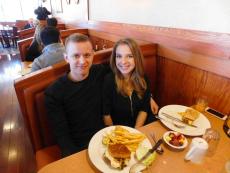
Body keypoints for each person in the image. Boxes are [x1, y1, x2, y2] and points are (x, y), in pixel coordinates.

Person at [45, 33, 109, 157]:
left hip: (107, 137)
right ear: (66, 58)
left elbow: (128, 75)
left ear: (93, 55)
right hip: (80, 148)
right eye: (76, 56)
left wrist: (147, 96)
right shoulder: (53, 93)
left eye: (87, 55)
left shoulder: (100, 71)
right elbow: (62, 136)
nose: (82, 61)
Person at [103, 38, 158, 128]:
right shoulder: (109, 80)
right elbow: (106, 114)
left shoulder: (143, 79)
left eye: (129, 56)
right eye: (119, 56)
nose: (123, 61)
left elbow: (144, 110)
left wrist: (136, 131)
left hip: (141, 126)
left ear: (137, 58)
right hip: (118, 129)